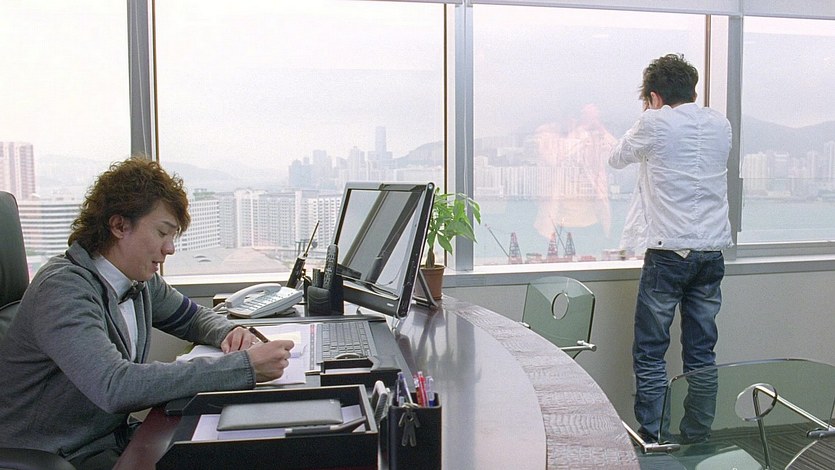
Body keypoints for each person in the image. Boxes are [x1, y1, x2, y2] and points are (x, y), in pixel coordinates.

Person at [0, 157, 295, 469]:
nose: (170, 249)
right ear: (119, 226)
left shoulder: (138, 281)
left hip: (109, 441)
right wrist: (243, 367)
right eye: (162, 232)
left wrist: (230, 332)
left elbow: (192, 318)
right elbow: (116, 385)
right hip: (59, 456)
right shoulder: (63, 290)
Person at [609, 54, 732, 444]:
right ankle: (697, 437)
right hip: (711, 253)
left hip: (668, 254)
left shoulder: (654, 122)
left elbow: (616, 158)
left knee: (650, 351)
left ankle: (654, 438)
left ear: (655, 96)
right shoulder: (720, 124)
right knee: (702, 353)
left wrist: (650, 113)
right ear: (692, 90)